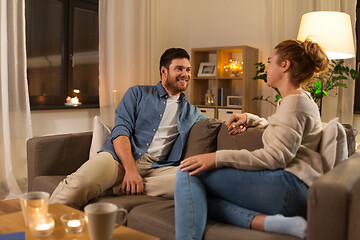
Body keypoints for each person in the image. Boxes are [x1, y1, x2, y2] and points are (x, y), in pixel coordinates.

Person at [174, 39, 329, 240]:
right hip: (294, 187)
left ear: (285, 65)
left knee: (188, 173)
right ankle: (273, 223)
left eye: (269, 61)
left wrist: (216, 158)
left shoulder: (296, 103)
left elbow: (276, 157)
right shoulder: (298, 100)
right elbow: (285, 129)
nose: (266, 66)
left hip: (291, 185)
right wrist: (251, 119)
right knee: (196, 197)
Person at [50, 48, 207, 209]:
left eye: (188, 70)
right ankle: (42, 225)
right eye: (179, 69)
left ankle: (117, 187)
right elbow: (120, 132)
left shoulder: (192, 112)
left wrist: (234, 121)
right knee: (80, 184)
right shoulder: (137, 94)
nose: (186, 74)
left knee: (191, 181)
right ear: (164, 71)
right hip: (119, 159)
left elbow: (217, 125)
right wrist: (131, 171)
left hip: (157, 169)